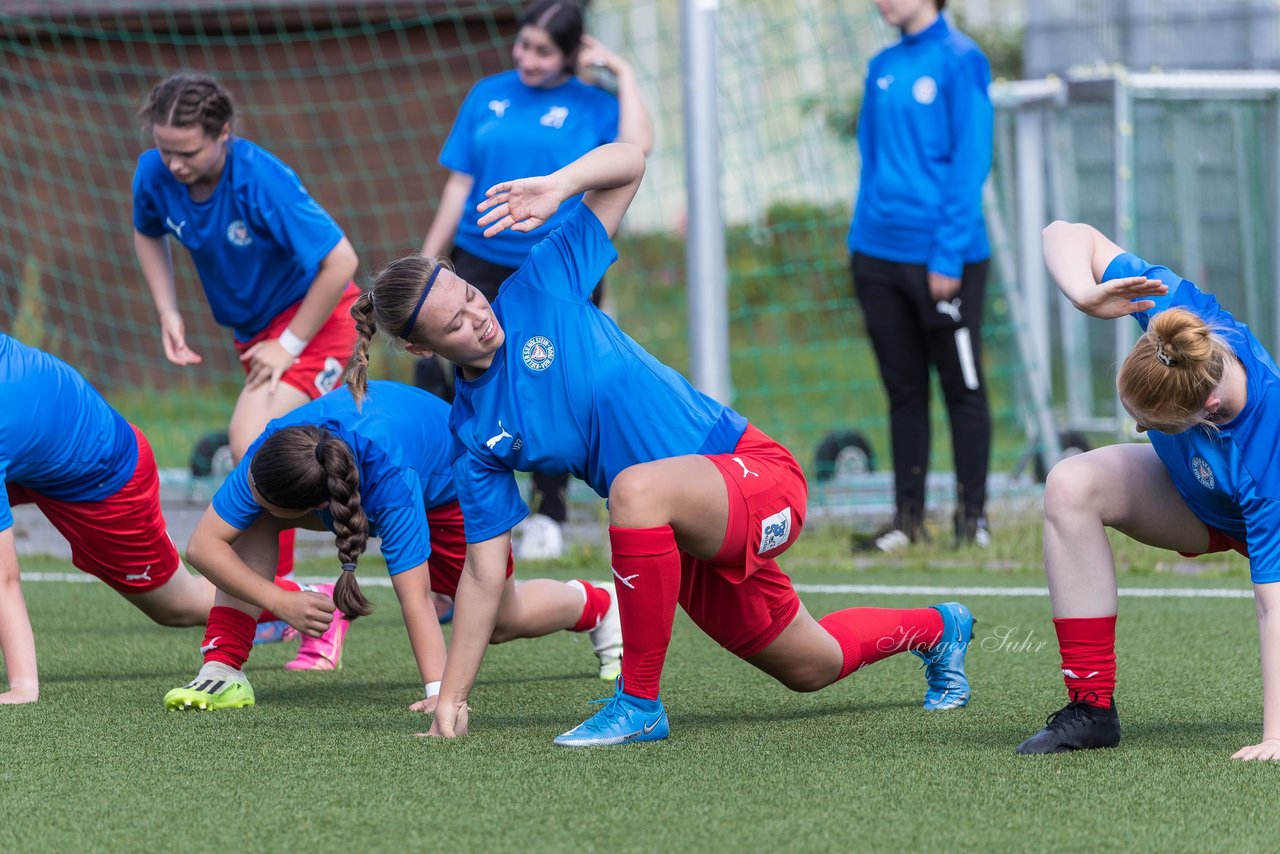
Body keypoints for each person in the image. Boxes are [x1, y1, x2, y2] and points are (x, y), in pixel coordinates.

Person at [351, 142, 974, 747]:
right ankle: (941, 628)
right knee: (811, 666)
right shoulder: (472, 435)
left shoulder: (542, 284)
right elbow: (485, 578)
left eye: (467, 295)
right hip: (669, 532)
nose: (476, 315)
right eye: (454, 324)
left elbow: (628, 165)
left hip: (751, 473)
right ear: (421, 350)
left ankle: (638, 705)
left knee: (634, 487)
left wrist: (560, 184)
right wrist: (451, 697)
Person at [163, 380, 621, 712]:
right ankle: (223, 668)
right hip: (362, 470)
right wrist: (279, 600)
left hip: (452, 481)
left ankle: (599, 606)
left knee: (500, 620)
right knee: (250, 526)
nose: (249, 498)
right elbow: (203, 548)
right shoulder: (278, 449)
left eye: (263, 497)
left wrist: (440, 693)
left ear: (318, 507)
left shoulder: (391, 482)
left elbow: (415, 597)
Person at [1019, 220, 1280, 760]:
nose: (1141, 431)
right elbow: (1065, 233)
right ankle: (1090, 709)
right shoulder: (1177, 322)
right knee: (1070, 484)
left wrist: (1275, 737)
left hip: (1257, 516)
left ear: (1205, 411)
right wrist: (1085, 295)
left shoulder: (1267, 446)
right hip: (1201, 502)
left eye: (1154, 425)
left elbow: (1272, 605)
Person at [416, 0, 654, 560]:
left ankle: (549, 513)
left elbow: (637, 148)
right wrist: (430, 261)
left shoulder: (594, 104)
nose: (527, 57)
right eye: (522, 44)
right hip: (476, 258)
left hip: (554, 267)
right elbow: (458, 186)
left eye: (543, 50)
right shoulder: (487, 94)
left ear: (572, 54)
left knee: (549, 380)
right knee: (444, 373)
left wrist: (624, 75)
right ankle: (450, 506)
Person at [131, 72, 361, 646]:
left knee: (253, 438)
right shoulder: (154, 172)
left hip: (322, 324)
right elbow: (147, 232)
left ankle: (280, 594)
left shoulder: (260, 179)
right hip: (256, 336)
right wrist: (168, 310)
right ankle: (286, 595)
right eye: (165, 150)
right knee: (266, 448)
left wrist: (288, 346)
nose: (174, 164)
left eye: (188, 152)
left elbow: (341, 262)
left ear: (224, 133)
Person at [0, 334, 299, 704]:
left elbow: (5, 579)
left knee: (178, 605)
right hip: (36, 461)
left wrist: (23, 687)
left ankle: (306, 601)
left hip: (105, 479)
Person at [848, 0, 994, 551]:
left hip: (942, 258)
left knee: (963, 387)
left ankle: (972, 519)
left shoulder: (963, 59)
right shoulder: (881, 65)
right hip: (877, 255)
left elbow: (971, 158)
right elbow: (872, 156)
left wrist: (947, 255)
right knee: (903, 390)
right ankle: (907, 521)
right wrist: (859, 241)